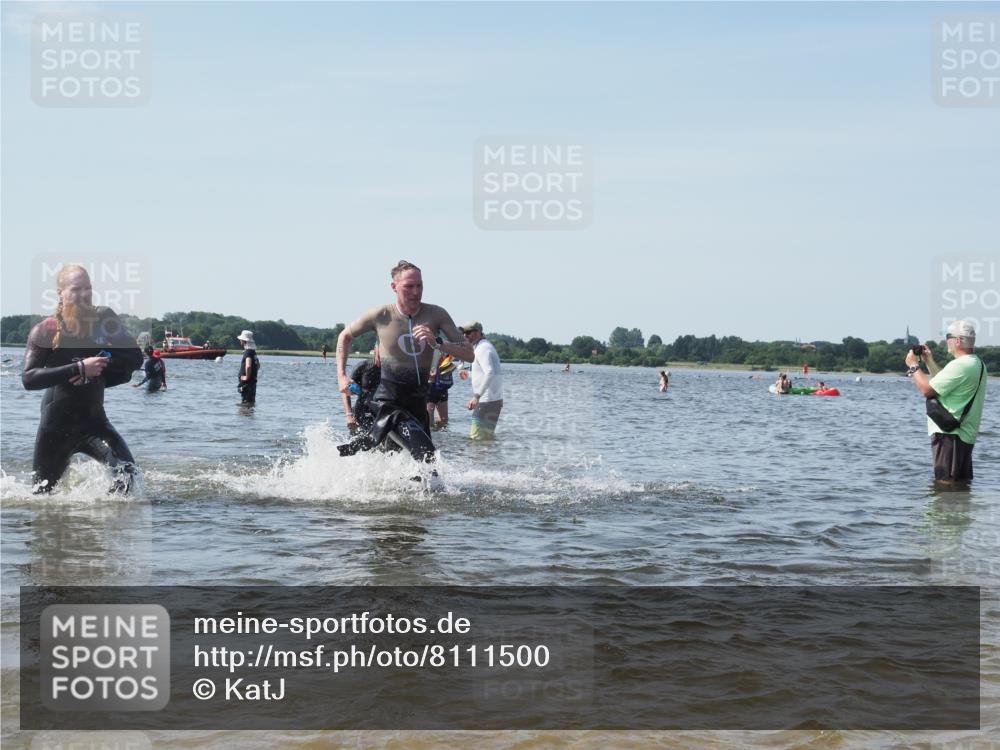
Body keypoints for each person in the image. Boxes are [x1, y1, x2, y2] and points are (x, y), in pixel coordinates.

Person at [21, 264, 143, 494]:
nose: (83, 295)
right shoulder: (46, 329)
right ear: (61, 293)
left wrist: (98, 364)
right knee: (41, 495)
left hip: (95, 423)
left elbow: (135, 357)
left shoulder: (104, 319)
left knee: (127, 476)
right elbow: (28, 378)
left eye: (88, 288)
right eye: (76, 289)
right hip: (55, 428)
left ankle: (102, 523)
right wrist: (78, 368)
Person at [335, 260, 473, 464]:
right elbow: (344, 336)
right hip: (389, 402)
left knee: (411, 462)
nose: (416, 292)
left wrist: (438, 343)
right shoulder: (380, 315)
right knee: (427, 457)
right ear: (394, 287)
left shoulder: (436, 314)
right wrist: (341, 375)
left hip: (418, 402)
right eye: (409, 286)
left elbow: (469, 354)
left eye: (420, 286)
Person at [906, 320, 988, 485]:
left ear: (957, 341)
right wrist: (928, 360)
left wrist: (913, 365)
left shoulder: (961, 365)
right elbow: (944, 381)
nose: (946, 341)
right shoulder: (977, 363)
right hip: (963, 435)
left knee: (945, 486)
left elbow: (927, 390)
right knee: (959, 486)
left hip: (951, 436)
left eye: (948, 337)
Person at [460, 321, 504, 440]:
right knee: (486, 441)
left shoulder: (482, 348)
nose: (465, 335)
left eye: (468, 332)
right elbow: (487, 373)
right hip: (493, 400)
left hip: (486, 401)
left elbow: (490, 373)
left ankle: (478, 459)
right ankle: (488, 459)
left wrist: (476, 397)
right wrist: (469, 374)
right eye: (463, 333)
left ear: (478, 332)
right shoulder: (482, 346)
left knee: (476, 440)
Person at [341, 348, 381, 436]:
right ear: (375, 350)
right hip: (362, 412)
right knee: (359, 442)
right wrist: (349, 415)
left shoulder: (394, 369)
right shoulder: (363, 366)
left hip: (383, 413)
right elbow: (345, 390)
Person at [427, 354, 456, 430]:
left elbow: (452, 366)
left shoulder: (444, 348)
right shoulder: (426, 349)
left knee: (444, 421)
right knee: (429, 422)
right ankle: (433, 439)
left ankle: (441, 440)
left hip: (442, 386)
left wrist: (447, 369)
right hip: (429, 386)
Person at [237, 330, 260, 404]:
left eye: (241, 340)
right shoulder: (253, 352)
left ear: (244, 341)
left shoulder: (248, 353)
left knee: (245, 405)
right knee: (250, 404)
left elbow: (248, 366)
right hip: (252, 383)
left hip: (247, 384)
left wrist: (247, 377)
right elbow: (258, 365)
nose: (240, 341)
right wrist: (253, 374)